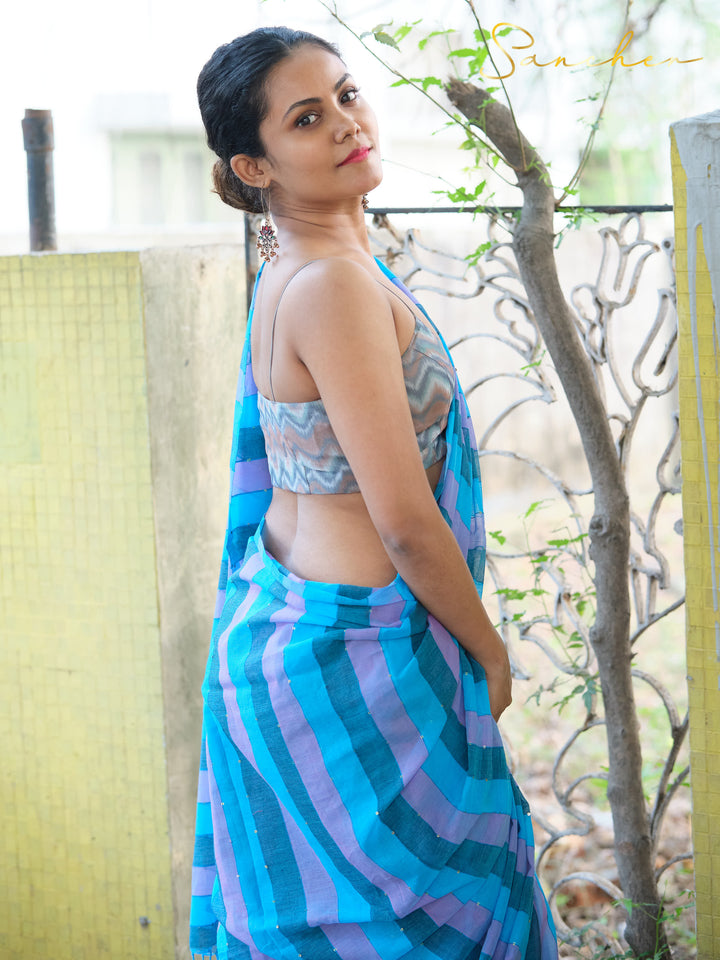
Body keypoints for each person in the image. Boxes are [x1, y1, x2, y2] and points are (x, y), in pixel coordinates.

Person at [190, 26, 558, 960]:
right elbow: (402, 519)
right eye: (308, 118)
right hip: (350, 666)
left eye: (348, 95)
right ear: (254, 164)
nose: (349, 123)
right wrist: (489, 651)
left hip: (302, 643)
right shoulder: (332, 286)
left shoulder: (299, 270)